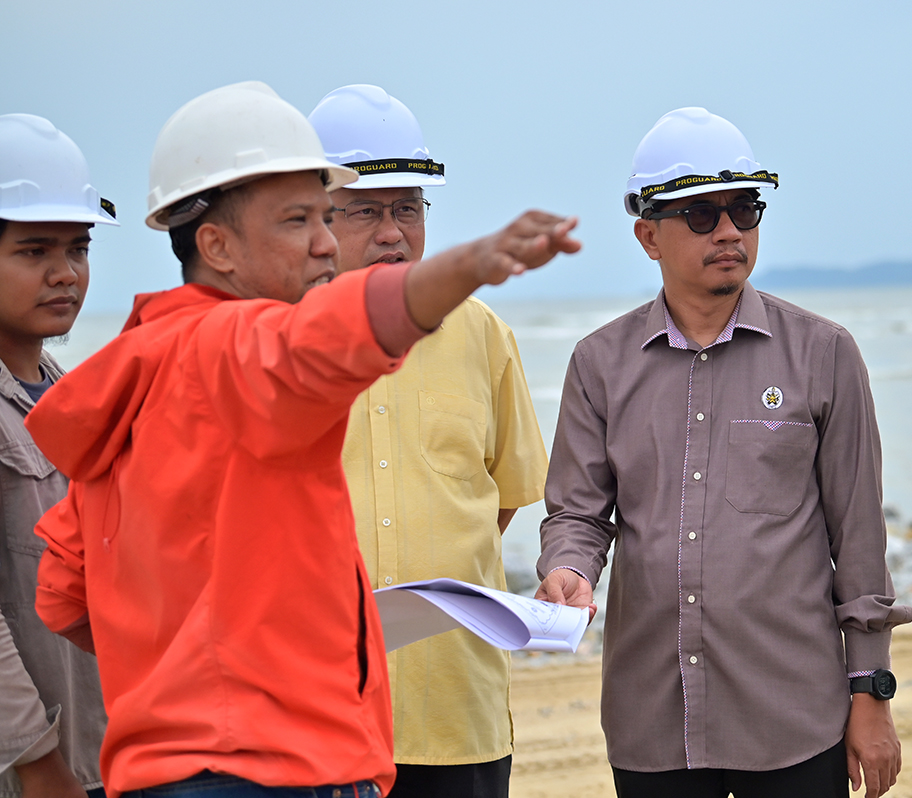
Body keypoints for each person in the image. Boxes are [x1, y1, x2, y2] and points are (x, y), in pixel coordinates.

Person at [27, 81, 579, 798]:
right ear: (216, 245)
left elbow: (67, 593)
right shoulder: (236, 344)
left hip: (168, 770)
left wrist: (191, 663)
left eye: (324, 216)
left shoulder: (138, 368)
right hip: (278, 767)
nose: (324, 242)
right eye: (297, 221)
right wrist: (470, 265)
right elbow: (329, 337)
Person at [534, 107, 912, 798]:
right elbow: (578, 515)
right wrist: (567, 569)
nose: (730, 231)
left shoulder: (824, 355)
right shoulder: (599, 364)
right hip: (653, 721)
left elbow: (859, 541)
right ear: (648, 234)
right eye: (702, 215)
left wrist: (871, 693)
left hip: (795, 719)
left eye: (745, 210)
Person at [308, 85, 548, 798]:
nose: (393, 232)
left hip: (454, 706)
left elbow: (502, 498)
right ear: (317, 215)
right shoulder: (272, 339)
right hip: (313, 715)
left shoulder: (481, 334)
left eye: (407, 208)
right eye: (366, 210)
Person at [0, 114, 114, 798]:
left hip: (100, 755)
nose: (65, 273)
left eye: (78, 248)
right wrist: (38, 762)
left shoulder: (73, 398)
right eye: (34, 250)